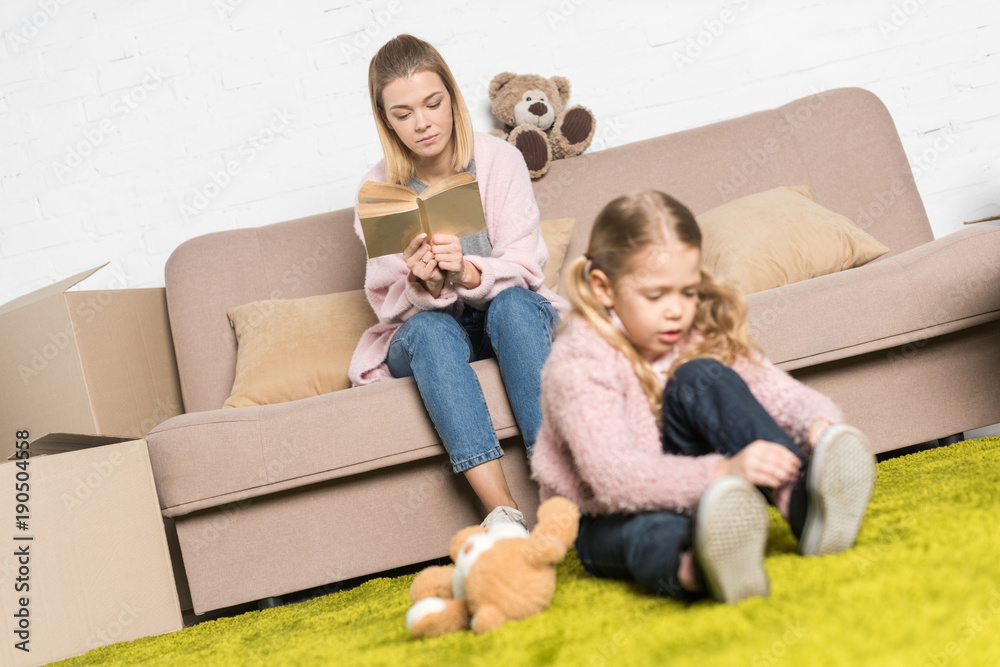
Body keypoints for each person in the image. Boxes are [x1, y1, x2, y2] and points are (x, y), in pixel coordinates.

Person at [530, 190, 877, 603]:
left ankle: (804, 507)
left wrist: (816, 423)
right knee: (647, 531)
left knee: (703, 374)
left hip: (703, 487)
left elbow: (772, 390)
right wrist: (723, 473)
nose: (677, 310)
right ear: (604, 289)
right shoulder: (580, 359)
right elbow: (615, 478)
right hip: (606, 512)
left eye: (688, 292)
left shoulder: (690, 331)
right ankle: (698, 563)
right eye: (656, 295)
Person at [348, 34, 568, 530]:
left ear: (452, 97)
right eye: (403, 114)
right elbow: (387, 304)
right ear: (385, 120)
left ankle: (561, 497)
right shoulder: (377, 191)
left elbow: (527, 265)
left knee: (512, 305)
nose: (422, 123)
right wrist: (421, 287)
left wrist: (468, 272)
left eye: (433, 103)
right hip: (431, 331)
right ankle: (503, 517)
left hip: (507, 317)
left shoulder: (498, 159)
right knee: (429, 331)